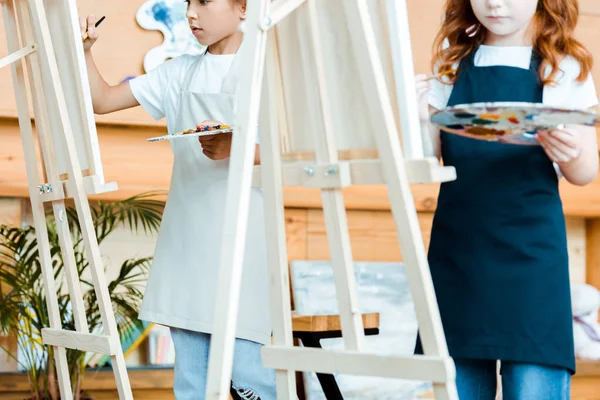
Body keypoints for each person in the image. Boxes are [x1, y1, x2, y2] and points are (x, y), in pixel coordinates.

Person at [80, 1, 276, 398]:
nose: (191, 13)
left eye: (204, 2)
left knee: (250, 379)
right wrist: (83, 51)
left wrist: (236, 147)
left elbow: (297, 149)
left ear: (243, 8)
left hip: (247, 243)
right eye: (188, 3)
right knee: (192, 383)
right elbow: (101, 100)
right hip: (188, 244)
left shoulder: (269, 72)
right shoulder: (178, 72)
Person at [414, 0, 599, 399]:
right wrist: (416, 115)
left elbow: (585, 174)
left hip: (532, 260)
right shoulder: (449, 66)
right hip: (458, 256)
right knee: (455, 386)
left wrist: (571, 153)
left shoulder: (564, 67)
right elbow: (426, 160)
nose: (494, 2)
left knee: (534, 384)